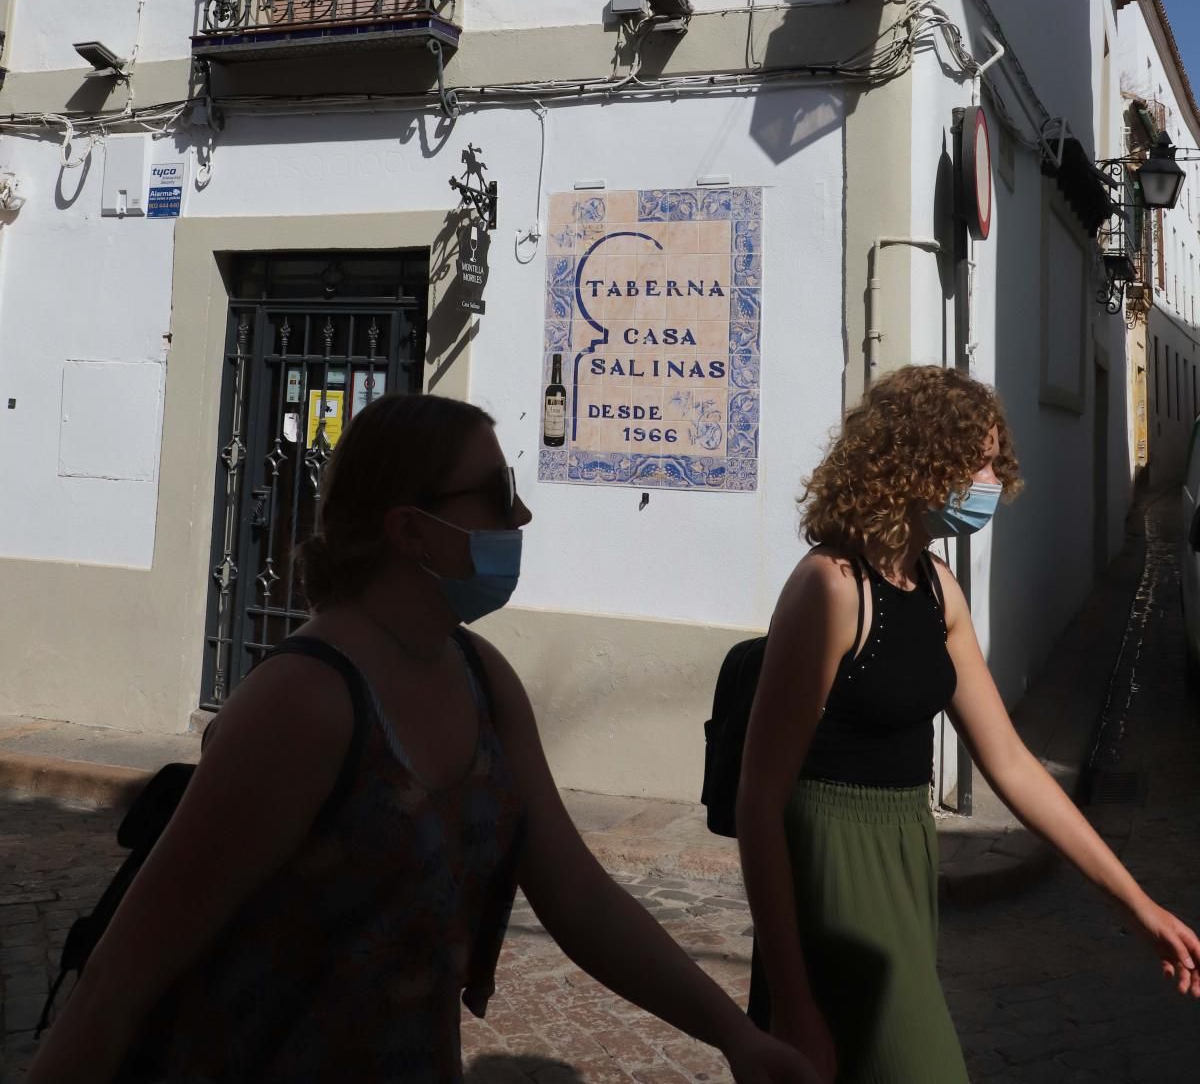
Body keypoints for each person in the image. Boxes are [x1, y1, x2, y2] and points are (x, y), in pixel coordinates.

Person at [28, 392, 822, 1084]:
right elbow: (119, 980)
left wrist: (734, 1036)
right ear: (411, 529)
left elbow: (577, 895)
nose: (521, 515)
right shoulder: (305, 701)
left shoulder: (483, 678)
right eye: (498, 491)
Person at [737, 364, 1200, 1084]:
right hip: (831, 880)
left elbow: (1012, 764)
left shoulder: (936, 589)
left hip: (904, 863)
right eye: (977, 459)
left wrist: (1136, 904)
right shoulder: (829, 589)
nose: (991, 478)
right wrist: (791, 1002)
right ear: (919, 458)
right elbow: (759, 804)